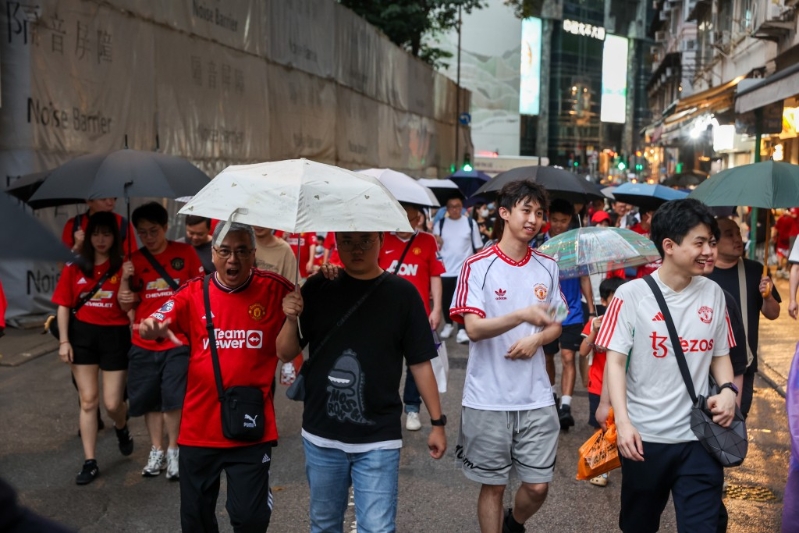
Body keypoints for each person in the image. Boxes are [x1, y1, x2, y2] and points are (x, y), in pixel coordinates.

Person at [276, 230, 446, 533]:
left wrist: (437, 422)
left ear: (381, 240)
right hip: (321, 434)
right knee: (324, 524)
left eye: (366, 240)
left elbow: (420, 362)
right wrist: (291, 317)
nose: (357, 249)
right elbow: (285, 352)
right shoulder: (317, 287)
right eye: (347, 241)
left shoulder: (403, 294)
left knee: (378, 528)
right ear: (336, 243)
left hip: (379, 436)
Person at [139, 223, 291, 533]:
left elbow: (311, 311)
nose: (232, 260)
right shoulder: (194, 292)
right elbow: (162, 310)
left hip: (250, 427)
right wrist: (152, 323)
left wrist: (306, 298)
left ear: (253, 255)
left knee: (250, 519)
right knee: (195, 520)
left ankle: (259, 504)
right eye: (225, 251)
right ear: (213, 253)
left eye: (241, 252)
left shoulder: (276, 289)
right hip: (198, 429)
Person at [596, 199, 737, 533]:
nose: (710, 252)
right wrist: (624, 423)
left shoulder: (714, 294)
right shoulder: (630, 296)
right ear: (669, 246)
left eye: (712, 242)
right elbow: (615, 362)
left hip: (700, 439)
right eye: (700, 243)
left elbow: (720, 354)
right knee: (639, 526)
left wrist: (729, 390)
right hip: (646, 440)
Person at [450, 180, 562, 533]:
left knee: (538, 486)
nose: (533, 219)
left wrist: (537, 339)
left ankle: (514, 522)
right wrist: (521, 316)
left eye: (539, 213)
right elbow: (473, 329)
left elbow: (556, 324)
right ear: (505, 213)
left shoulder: (548, 266)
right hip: (488, 397)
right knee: (494, 485)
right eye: (526, 210)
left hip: (536, 396)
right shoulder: (478, 265)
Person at [118, 202, 204, 481]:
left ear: (166, 227)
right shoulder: (132, 259)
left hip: (177, 340)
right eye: (142, 232)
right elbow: (124, 305)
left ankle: (173, 449)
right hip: (142, 341)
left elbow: (199, 292)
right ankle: (156, 449)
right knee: (149, 398)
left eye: (154, 231)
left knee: (173, 396)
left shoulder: (185, 253)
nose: (149, 237)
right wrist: (125, 280)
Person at [51, 212, 134, 485]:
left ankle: (121, 426)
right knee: (88, 401)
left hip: (115, 336)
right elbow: (63, 305)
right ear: (88, 236)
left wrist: (125, 279)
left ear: (115, 237)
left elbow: (126, 307)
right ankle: (90, 461)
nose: (101, 239)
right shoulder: (75, 266)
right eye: (96, 234)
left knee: (112, 403)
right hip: (82, 337)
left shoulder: (124, 266)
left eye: (107, 234)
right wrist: (64, 341)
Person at [378, 203, 446, 431]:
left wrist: (436, 309)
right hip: (385, 314)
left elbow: (436, 276)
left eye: (412, 219)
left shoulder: (428, 241)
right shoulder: (381, 239)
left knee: (418, 362)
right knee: (385, 361)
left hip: (419, 315)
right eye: (402, 218)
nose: (407, 223)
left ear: (419, 219)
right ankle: (383, 406)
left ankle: (413, 409)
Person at [705, 217, 780, 417]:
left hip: (743, 364)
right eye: (729, 234)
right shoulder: (702, 274)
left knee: (737, 420)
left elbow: (773, 314)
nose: (737, 238)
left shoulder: (755, 271)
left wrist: (768, 296)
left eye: (738, 233)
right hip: (706, 365)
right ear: (714, 241)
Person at [536, 198, 595, 430]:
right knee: (548, 357)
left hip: (572, 311)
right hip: (549, 311)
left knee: (569, 357)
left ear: (570, 220)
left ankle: (566, 407)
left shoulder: (575, 246)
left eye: (564, 221)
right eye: (555, 220)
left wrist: (591, 309)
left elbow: (584, 278)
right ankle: (552, 397)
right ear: (548, 218)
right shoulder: (540, 244)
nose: (559, 225)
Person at [578, 276, 626, 487]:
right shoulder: (595, 322)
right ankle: (602, 466)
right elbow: (582, 351)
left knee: (621, 424)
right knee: (601, 426)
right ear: (604, 301)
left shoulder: (626, 323)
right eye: (614, 298)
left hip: (621, 385)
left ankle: (624, 461)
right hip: (598, 385)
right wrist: (594, 330)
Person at [434, 195, 483, 344]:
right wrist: (437, 242)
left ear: (462, 207)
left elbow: (478, 247)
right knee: (446, 299)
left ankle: (462, 328)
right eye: (451, 206)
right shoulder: (440, 224)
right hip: (446, 269)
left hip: (465, 269)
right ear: (447, 209)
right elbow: (435, 247)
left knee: (463, 300)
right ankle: (448, 324)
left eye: (458, 206)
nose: (455, 209)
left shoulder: (470, 223)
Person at [61, 197, 137, 255]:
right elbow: (62, 266)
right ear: (89, 201)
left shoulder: (122, 223)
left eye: (113, 198)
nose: (110, 203)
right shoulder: (74, 224)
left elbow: (132, 257)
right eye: (103, 199)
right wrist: (76, 247)